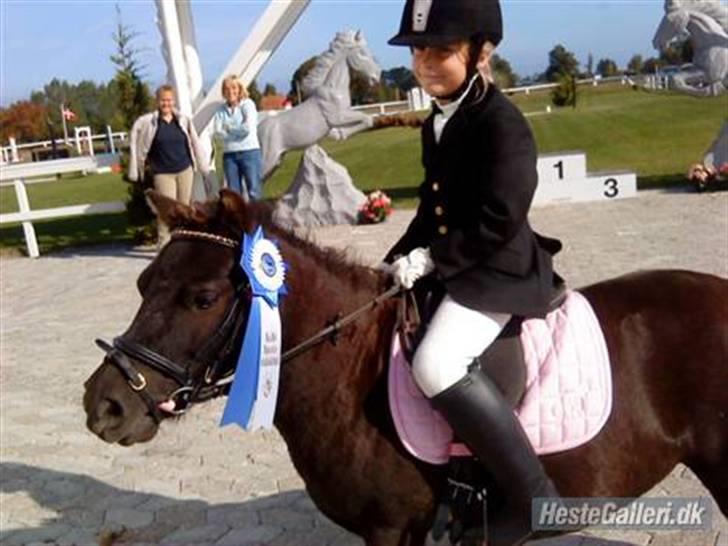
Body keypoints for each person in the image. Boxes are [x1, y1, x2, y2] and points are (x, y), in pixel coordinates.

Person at [383, 1, 564, 544]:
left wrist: (435, 259)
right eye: (417, 50)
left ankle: (536, 498)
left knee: (436, 364)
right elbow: (431, 209)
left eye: (441, 50)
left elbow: (500, 217)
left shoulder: (501, 123)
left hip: (499, 267)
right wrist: (396, 257)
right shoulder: (439, 121)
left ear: (480, 52)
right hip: (464, 259)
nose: (425, 63)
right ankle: (451, 479)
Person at [128, 84, 209, 246]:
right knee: (166, 211)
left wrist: (202, 164)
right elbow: (136, 138)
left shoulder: (183, 120)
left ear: (174, 101)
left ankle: (185, 244)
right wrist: (136, 168)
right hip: (163, 172)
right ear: (157, 101)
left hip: (185, 170)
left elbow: (194, 142)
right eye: (163, 100)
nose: (166, 104)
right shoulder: (150, 123)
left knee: (185, 209)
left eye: (169, 100)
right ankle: (164, 244)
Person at [213, 75, 263, 201]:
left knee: (254, 190)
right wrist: (237, 130)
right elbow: (218, 132)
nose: (231, 91)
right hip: (230, 156)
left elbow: (247, 129)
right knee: (234, 194)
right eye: (227, 89)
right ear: (223, 92)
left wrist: (229, 128)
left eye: (234, 87)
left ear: (240, 88)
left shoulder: (248, 105)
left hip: (249, 152)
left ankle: (258, 221)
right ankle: (239, 221)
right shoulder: (220, 110)